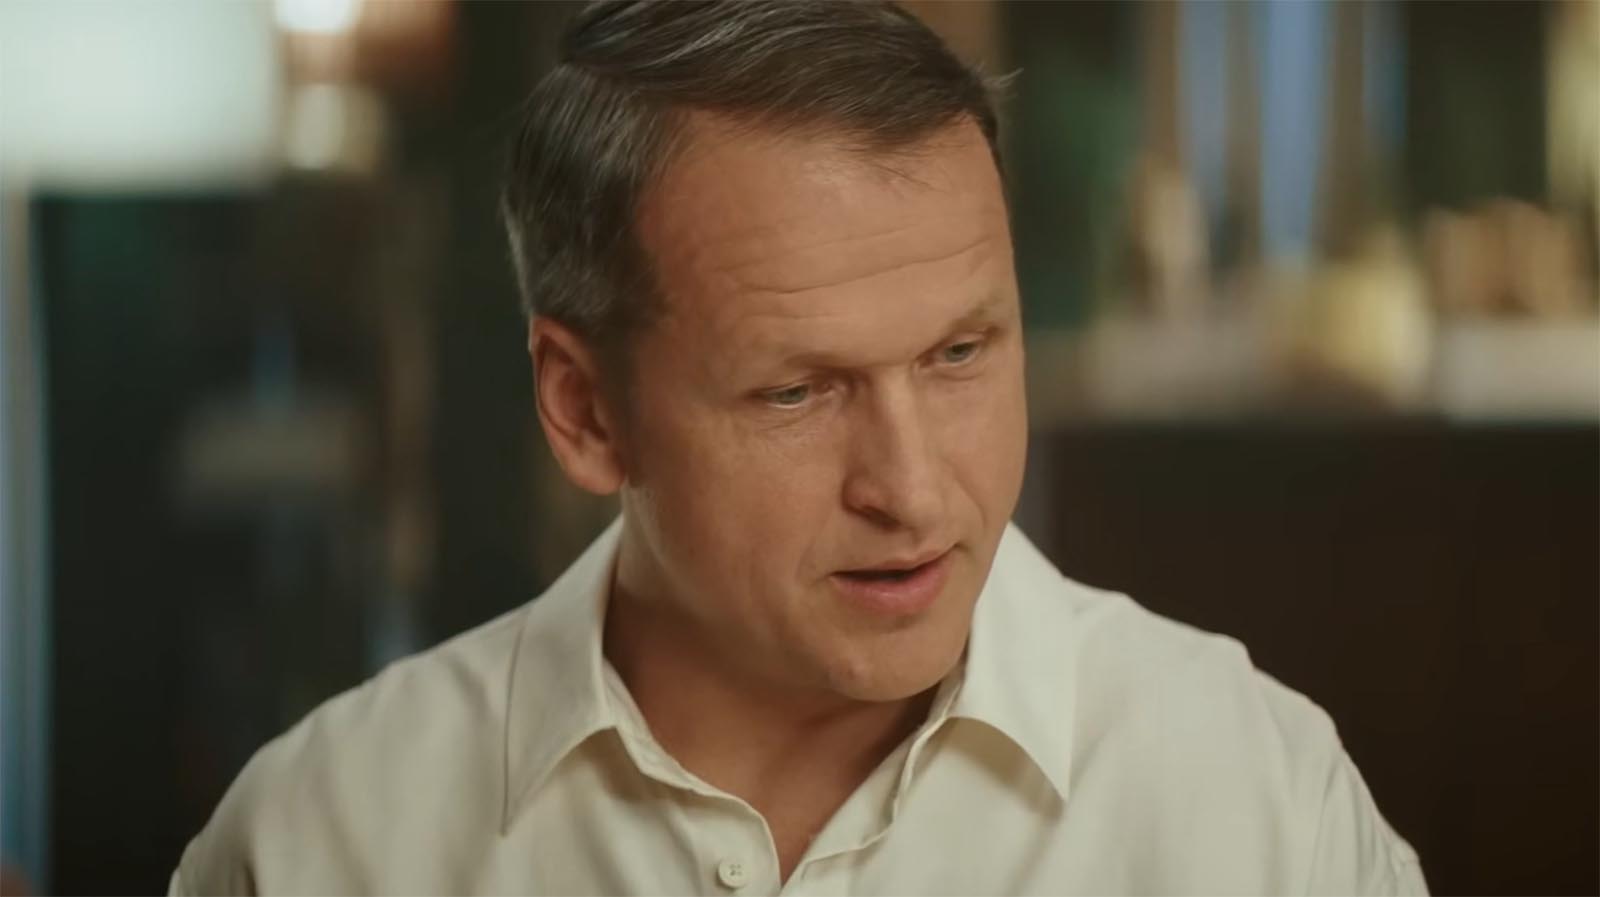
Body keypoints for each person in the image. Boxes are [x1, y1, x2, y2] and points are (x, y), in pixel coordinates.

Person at [170, 2, 1426, 893]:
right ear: (586, 410)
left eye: (959, 354)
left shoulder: (1251, 802)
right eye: (796, 393)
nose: (913, 490)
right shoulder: (326, 841)